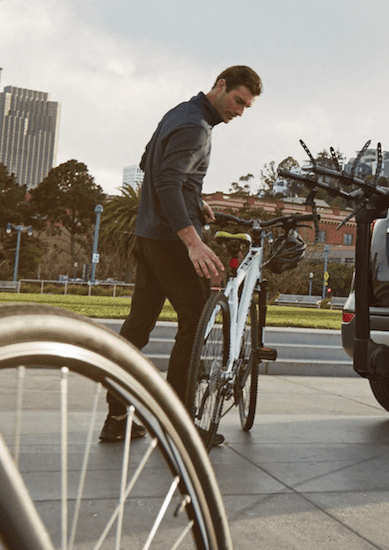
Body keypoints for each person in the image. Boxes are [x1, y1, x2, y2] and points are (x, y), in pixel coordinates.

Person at [100, 66, 262, 447]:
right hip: (171, 242)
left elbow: (149, 165)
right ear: (220, 86)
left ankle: (116, 418)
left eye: (246, 107)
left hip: (148, 236)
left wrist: (194, 198)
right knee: (195, 321)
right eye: (238, 100)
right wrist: (193, 241)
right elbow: (167, 181)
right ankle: (179, 427)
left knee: (138, 326)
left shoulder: (179, 113)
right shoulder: (196, 128)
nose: (239, 111)